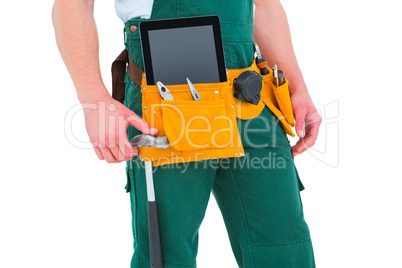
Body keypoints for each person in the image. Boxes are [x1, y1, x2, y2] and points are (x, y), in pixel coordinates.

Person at [52, 0, 322, 267]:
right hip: (166, 101)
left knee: (285, 250)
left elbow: (265, 6)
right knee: (167, 256)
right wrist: (95, 101)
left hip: (250, 102)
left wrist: (297, 88)